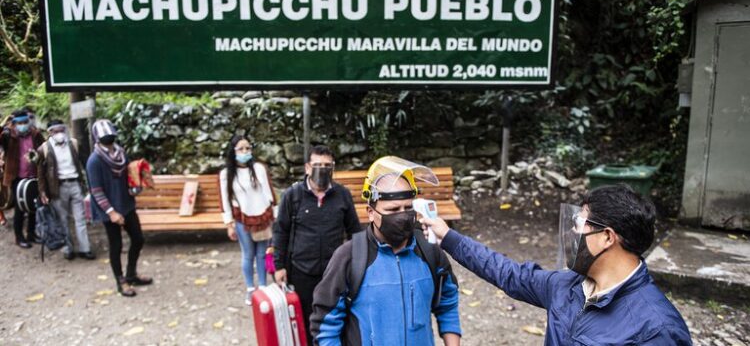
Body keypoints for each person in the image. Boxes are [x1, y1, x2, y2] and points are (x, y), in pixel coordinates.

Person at [419, 184, 693, 345]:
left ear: (607, 236)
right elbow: (507, 273)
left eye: (580, 223)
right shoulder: (567, 286)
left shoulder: (656, 328)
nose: (573, 231)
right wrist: (448, 237)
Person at [310, 156, 461, 346]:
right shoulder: (349, 257)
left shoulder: (430, 253)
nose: (402, 215)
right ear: (370, 212)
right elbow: (325, 327)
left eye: (408, 208)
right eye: (393, 209)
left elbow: (447, 302)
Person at [273, 145, 361, 345]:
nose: (322, 169)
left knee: (334, 317)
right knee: (305, 320)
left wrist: (360, 262)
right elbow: (280, 232)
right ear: (307, 168)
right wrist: (279, 266)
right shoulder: (292, 196)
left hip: (334, 272)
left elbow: (355, 231)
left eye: (327, 165)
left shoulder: (342, 195)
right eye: (317, 165)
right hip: (301, 271)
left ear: (333, 168)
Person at [86, 119, 151, 297]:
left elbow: (128, 175)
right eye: (105, 137)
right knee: (116, 245)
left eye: (110, 136)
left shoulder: (120, 153)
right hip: (109, 209)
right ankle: (120, 280)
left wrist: (137, 184)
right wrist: (112, 212)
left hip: (126, 203)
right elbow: (96, 191)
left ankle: (131, 274)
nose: (109, 138)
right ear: (97, 139)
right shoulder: (94, 161)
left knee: (138, 239)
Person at [219, 135, 277, 305]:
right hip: (242, 218)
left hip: (263, 216)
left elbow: (269, 192)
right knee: (248, 254)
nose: (245, 152)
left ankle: (263, 286)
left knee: (262, 254)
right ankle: (250, 288)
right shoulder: (226, 173)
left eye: (248, 148)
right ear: (233, 151)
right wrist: (229, 223)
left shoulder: (259, 168)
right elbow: (225, 200)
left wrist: (275, 214)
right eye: (240, 149)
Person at [37, 120, 95, 260]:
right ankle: (68, 248)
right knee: (62, 219)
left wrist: (89, 185)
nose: (60, 134)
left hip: (75, 184)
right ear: (50, 132)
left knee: (80, 218)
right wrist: (43, 192)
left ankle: (84, 248)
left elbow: (85, 163)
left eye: (61, 130)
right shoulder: (43, 149)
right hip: (57, 188)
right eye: (56, 131)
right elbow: (40, 173)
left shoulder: (73, 144)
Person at [0, 110, 45, 248]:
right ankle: (19, 237)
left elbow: (44, 148)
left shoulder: (35, 134)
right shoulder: (9, 135)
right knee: (20, 208)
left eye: (25, 122)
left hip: (34, 174)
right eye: (20, 123)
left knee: (33, 205)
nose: (23, 125)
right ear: (14, 123)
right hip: (17, 176)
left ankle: (32, 234)